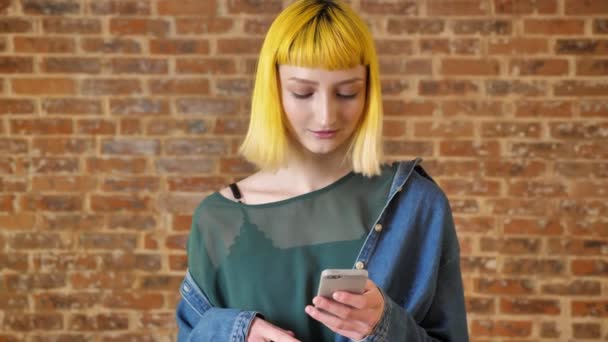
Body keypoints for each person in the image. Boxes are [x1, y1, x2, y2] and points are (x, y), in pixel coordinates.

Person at [175, 0, 469, 341]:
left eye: (347, 92)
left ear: (369, 91)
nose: (326, 115)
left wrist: (383, 328)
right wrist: (234, 333)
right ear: (273, 91)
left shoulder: (417, 207)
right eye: (303, 92)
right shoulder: (217, 220)